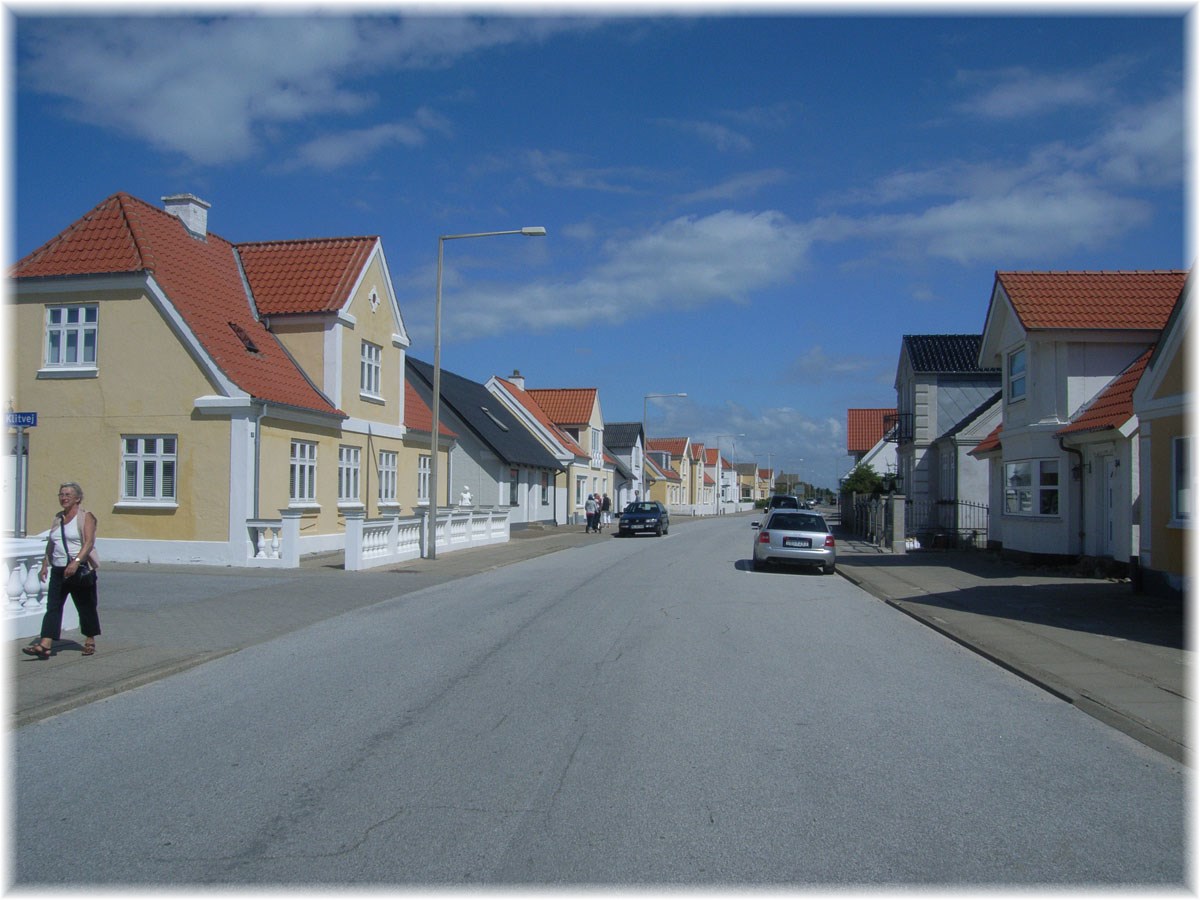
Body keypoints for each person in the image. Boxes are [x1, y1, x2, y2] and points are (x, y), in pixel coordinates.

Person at [23, 482, 101, 660]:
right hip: (59, 569)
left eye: (67, 495)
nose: (63, 498)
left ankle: (90, 638)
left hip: (79, 569)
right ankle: (45, 645)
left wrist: (76, 562)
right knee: (53, 607)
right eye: (61, 494)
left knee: (86, 606)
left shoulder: (85, 517)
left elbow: (89, 542)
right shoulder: (58, 518)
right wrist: (45, 564)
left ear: (77, 498)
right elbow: (52, 542)